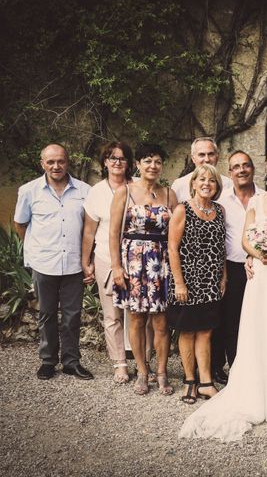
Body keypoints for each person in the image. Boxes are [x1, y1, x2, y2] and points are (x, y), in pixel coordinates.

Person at [180, 148, 267, 441]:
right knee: (259, 330)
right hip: (263, 275)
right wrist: (258, 253)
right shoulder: (257, 201)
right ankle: (257, 394)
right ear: (266, 168)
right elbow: (244, 239)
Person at [14, 143, 93, 380]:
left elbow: (90, 228)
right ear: (42, 164)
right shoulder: (29, 191)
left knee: (72, 315)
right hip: (44, 263)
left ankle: (71, 361)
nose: (56, 166)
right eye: (51, 162)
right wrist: (38, 249)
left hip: (72, 264)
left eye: (60, 161)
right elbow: (20, 224)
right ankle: (48, 361)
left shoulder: (84, 190)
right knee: (46, 314)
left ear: (68, 162)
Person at [110, 143, 178, 396]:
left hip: (160, 263)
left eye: (158, 161)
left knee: (161, 321)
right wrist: (117, 266)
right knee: (137, 319)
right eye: (147, 161)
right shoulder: (124, 192)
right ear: (137, 164)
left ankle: (161, 372)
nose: (153, 166)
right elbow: (113, 232)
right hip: (134, 262)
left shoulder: (169, 194)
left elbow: (175, 233)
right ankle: (141, 370)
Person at [168, 164, 226, 404]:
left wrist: (224, 277)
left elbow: (221, 247)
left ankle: (206, 382)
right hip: (188, 281)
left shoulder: (220, 210)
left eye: (211, 181)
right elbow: (172, 248)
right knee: (188, 331)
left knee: (205, 331)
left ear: (217, 186)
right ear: (193, 183)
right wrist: (179, 284)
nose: (206, 184)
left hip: (211, 282)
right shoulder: (183, 209)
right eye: (202, 179)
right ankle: (189, 382)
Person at [81, 142, 134, 383]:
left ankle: (142, 361)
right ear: (105, 162)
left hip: (136, 260)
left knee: (138, 313)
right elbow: (89, 232)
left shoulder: (137, 188)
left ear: (129, 162)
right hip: (104, 258)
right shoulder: (97, 191)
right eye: (112, 158)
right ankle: (119, 363)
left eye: (122, 158)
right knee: (112, 314)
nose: (117, 162)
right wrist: (86, 262)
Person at [217, 151, 264, 367]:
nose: (241, 170)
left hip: (259, 268)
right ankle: (233, 366)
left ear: (253, 169)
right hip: (230, 268)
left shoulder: (264, 198)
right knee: (230, 320)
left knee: (257, 320)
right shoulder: (221, 199)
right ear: (229, 172)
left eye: (245, 165)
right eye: (236, 167)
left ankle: (254, 366)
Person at [171, 137, 232, 203]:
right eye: (202, 155)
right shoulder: (179, 185)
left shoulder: (229, 184)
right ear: (193, 158)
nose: (207, 159)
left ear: (217, 157)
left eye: (211, 154)